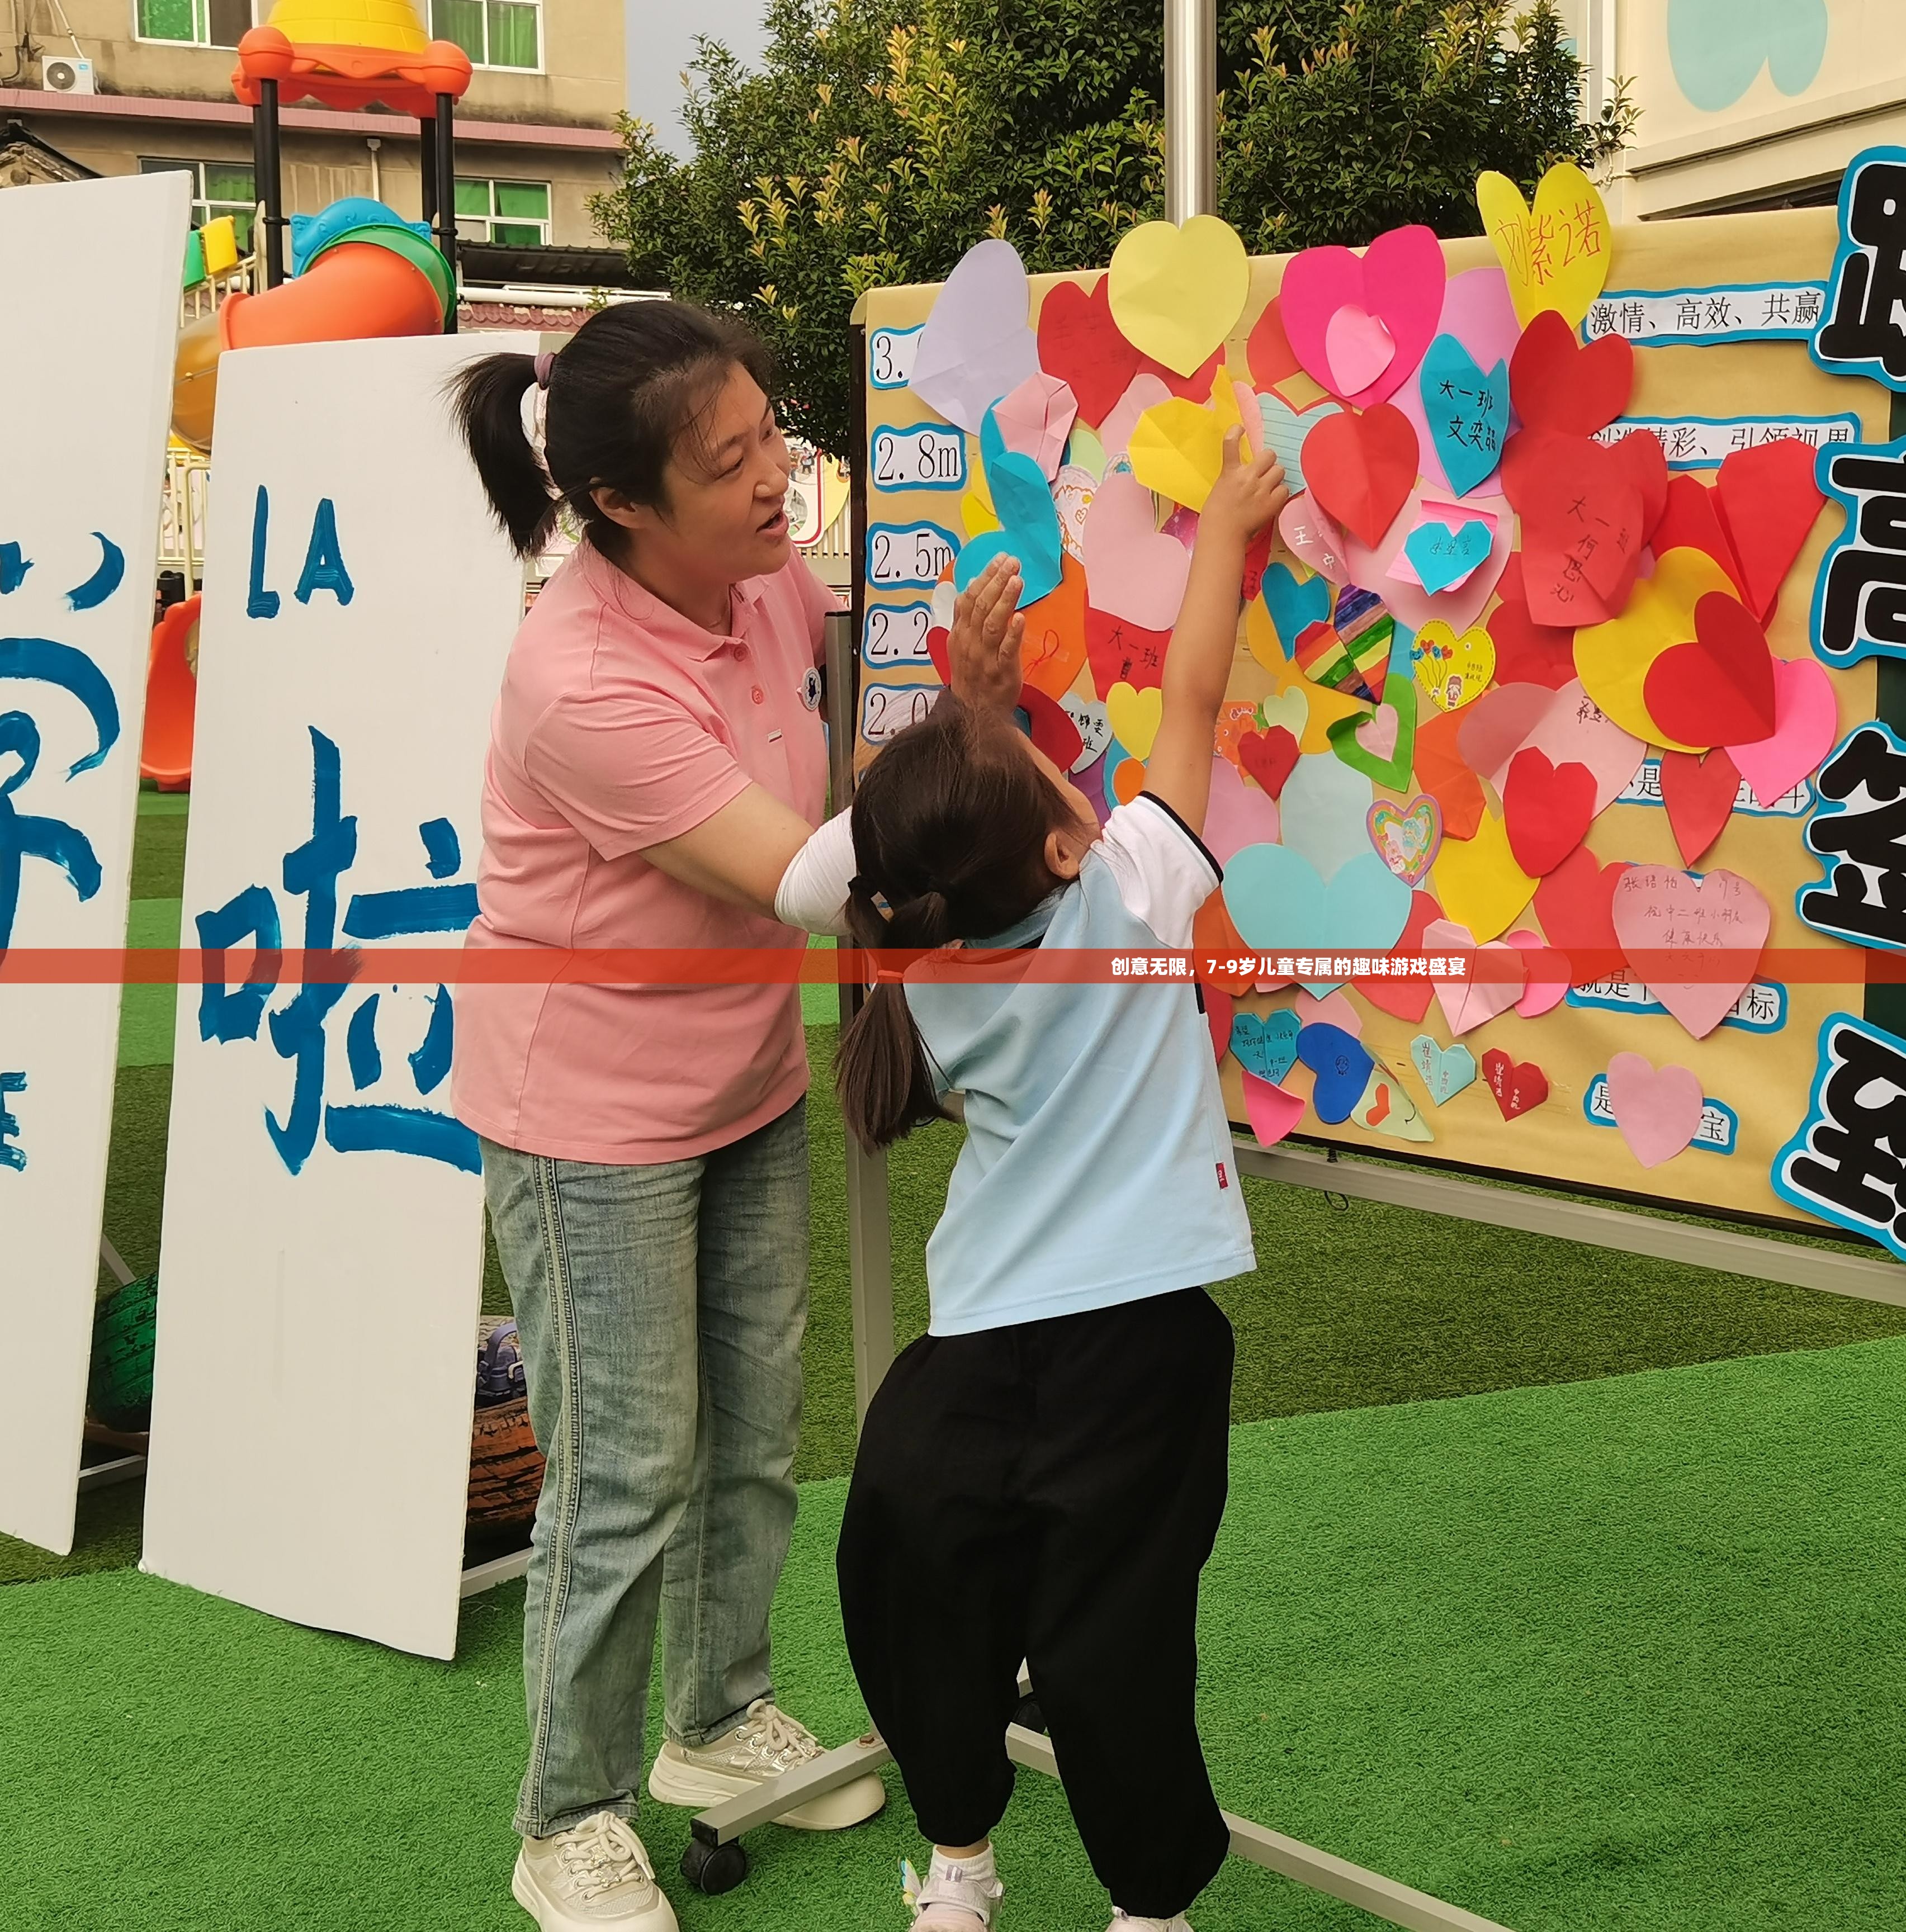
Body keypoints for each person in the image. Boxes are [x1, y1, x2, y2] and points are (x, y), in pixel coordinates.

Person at [800, 433, 1290, 1932]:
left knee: (983, 1605)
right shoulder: (1137, 885)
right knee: (1072, 1635)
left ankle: (1103, 1896)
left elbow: (933, 840)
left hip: (1043, 1356)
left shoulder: (929, 963)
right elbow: (1192, 703)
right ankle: (982, 1868)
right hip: (1094, 1354)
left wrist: (974, 707)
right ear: (1071, 842)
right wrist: (1225, 545)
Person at [448, 302, 881, 1932]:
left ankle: (715, 1720)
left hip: (747, 1078)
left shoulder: (769, 581)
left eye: (774, 431)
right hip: (591, 1122)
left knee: (753, 1432)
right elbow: (810, 873)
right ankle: (566, 1815)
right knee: (627, 1471)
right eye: (734, 459)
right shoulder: (574, 678)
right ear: (624, 504)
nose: (778, 477)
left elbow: (850, 738)